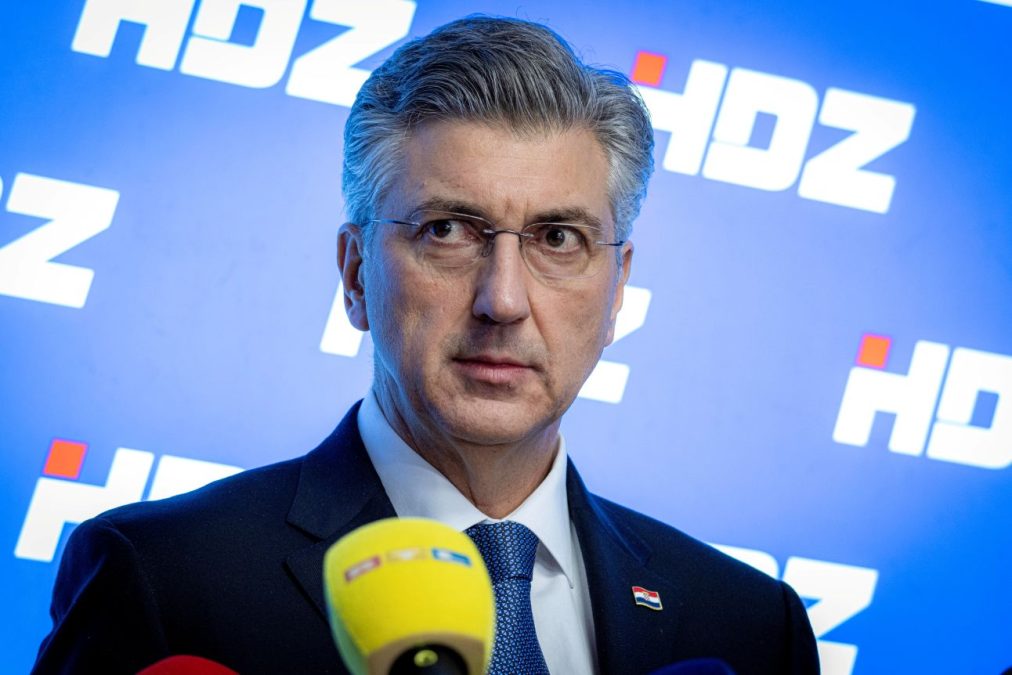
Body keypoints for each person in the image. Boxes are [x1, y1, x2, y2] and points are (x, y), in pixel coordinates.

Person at [33, 16, 819, 675]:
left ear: (616, 291)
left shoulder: (751, 626)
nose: (503, 300)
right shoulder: (165, 577)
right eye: (446, 230)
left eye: (557, 237)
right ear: (355, 274)